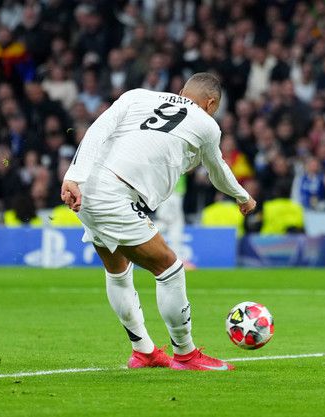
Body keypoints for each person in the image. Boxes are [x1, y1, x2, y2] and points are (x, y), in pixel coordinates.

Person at [60, 73, 256, 371]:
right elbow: (217, 171)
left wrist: (74, 175)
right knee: (170, 268)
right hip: (114, 193)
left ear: (182, 91)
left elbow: (99, 128)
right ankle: (186, 354)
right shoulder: (207, 125)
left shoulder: (137, 95)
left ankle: (144, 351)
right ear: (211, 104)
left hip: (89, 187)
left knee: (117, 270)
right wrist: (243, 197)